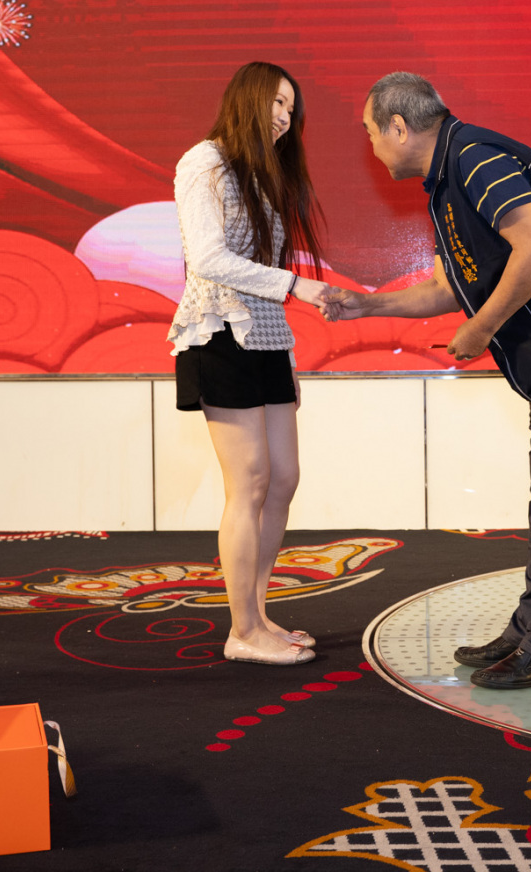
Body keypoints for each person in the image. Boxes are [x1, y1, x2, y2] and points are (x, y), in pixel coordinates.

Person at [323, 72, 531, 688]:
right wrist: (367, 305)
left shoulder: (475, 156)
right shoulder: (449, 177)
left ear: (399, 127)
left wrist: (480, 328)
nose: (371, 145)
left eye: (370, 132)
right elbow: (449, 286)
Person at [169, 61, 334, 665]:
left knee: (283, 479)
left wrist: (286, 352)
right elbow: (208, 258)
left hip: (266, 340)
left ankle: (258, 616)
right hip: (219, 334)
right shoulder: (204, 162)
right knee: (251, 482)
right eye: (276, 101)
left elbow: (259, 272)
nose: (285, 115)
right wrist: (297, 284)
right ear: (247, 99)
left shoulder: (263, 175)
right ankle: (242, 631)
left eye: (292, 106)